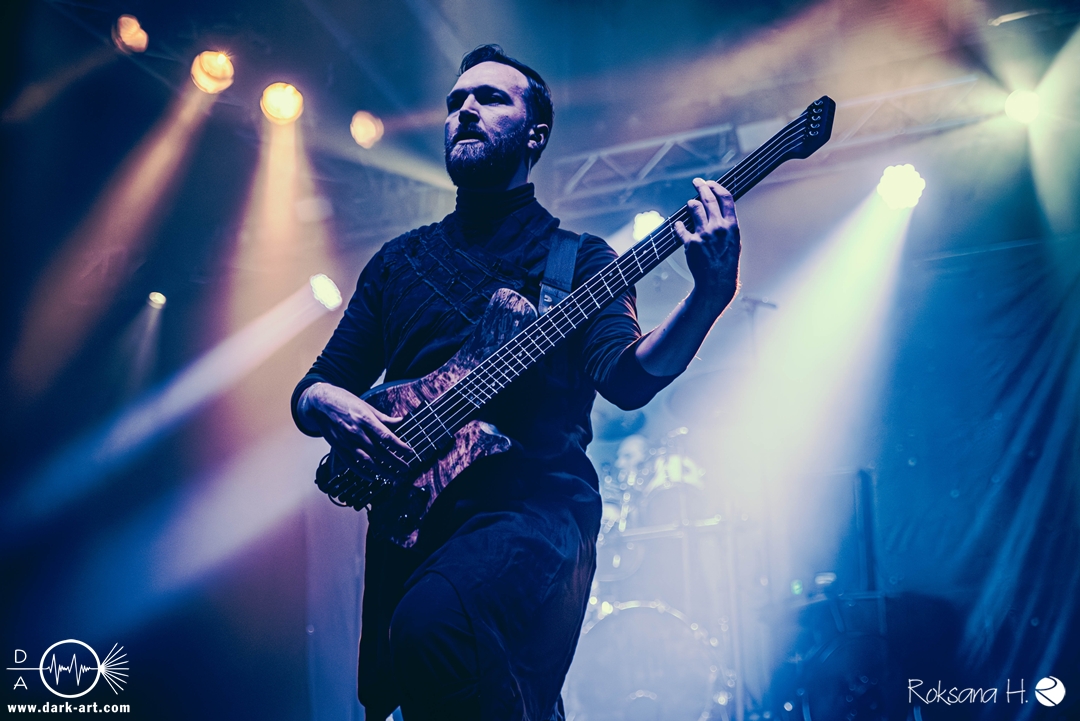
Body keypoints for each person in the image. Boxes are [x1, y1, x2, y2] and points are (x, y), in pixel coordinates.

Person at [291, 44, 741, 721]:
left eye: (491, 98)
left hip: (533, 511)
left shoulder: (579, 260)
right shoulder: (397, 263)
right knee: (428, 682)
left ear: (536, 135)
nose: (466, 109)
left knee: (432, 626)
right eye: (455, 102)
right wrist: (324, 402)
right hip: (414, 524)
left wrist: (707, 297)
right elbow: (319, 385)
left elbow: (628, 378)